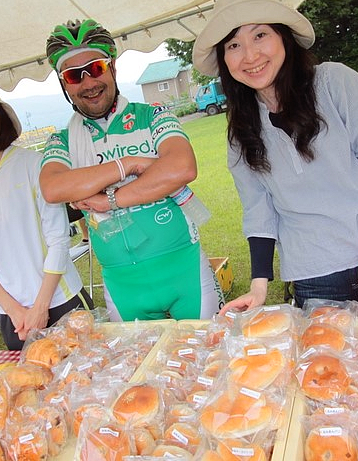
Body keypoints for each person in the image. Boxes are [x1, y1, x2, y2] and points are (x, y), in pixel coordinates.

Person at [191, 0, 358, 319]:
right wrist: (259, 285)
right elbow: (259, 209)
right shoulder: (240, 129)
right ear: (224, 59)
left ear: (284, 37)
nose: (250, 56)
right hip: (315, 267)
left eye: (260, 36)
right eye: (233, 45)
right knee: (330, 366)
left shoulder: (334, 82)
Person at [39, 18, 223, 322]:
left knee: (211, 361)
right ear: (64, 85)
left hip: (184, 269)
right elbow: (54, 188)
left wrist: (109, 199)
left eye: (95, 68)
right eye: (74, 76)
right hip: (123, 286)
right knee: (136, 368)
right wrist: (132, 165)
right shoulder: (62, 141)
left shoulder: (153, 115)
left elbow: (182, 167)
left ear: (112, 67)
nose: (88, 83)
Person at [0, 75, 91, 350]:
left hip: (60, 298)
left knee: (91, 380)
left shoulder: (35, 164)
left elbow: (58, 238)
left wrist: (41, 306)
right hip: (11, 313)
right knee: (29, 387)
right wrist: (15, 310)